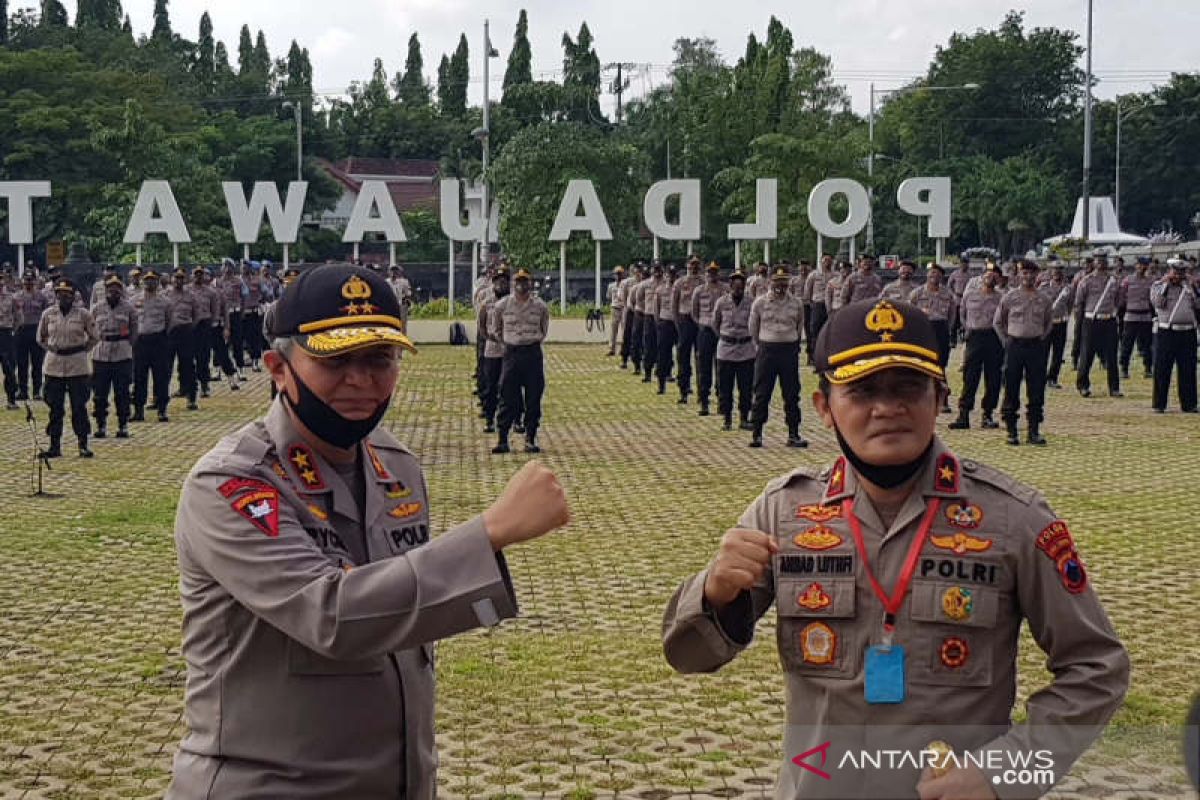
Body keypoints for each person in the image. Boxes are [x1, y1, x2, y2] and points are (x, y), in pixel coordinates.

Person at [662, 296, 1129, 800]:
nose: (887, 407)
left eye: (908, 387)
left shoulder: (1013, 517)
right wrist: (714, 593)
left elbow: (1097, 668)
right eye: (862, 391)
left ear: (940, 396)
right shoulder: (783, 512)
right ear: (823, 408)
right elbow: (687, 657)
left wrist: (1005, 775)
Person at [166, 263, 570, 799]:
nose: (360, 381)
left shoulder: (395, 465)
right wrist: (489, 533)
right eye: (335, 361)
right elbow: (331, 616)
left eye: (379, 360)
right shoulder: (234, 482)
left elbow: (404, 618)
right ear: (277, 368)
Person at [37, 279, 99, 458]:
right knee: (55, 408)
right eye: (60, 294)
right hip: (54, 365)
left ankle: (83, 444)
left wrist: (80, 350)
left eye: (67, 294)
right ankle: (54, 445)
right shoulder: (48, 314)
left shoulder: (84, 315)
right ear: (55, 295)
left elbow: (94, 337)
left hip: (77, 366)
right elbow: (40, 338)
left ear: (73, 296)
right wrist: (52, 349)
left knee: (79, 406)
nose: (63, 297)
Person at [995, 260, 1054, 446]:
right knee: (1011, 387)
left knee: (1036, 388)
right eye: (1025, 273)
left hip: (1035, 347)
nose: (1028, 277)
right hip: (1014, 346)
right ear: (1019, 275)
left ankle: (1034, 430)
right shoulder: (1009, 297)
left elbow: (1048, 323)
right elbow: (998, 322)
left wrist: (1039, 337)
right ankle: (1011, 430)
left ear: (1037, 276)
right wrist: (1007, 341)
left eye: (1032, 273)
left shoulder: (1044, 299)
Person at [491, 268, 550, 454]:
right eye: (518, 281)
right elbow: (496, 330)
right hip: (512, 353)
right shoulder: (502, 306)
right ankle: (502, 438)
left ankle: (530, 438)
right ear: (513, 284)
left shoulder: (540, 306)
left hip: (532, 353)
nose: (521, 285)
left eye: (525, 281)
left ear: (530, 284)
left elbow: (544, 329)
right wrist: (508, 344)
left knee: (533, 397)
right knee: (507, 396)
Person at [748, 267, 806, 448]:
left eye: (784, 282)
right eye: (777, 282)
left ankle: (793, 433)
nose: (780, 286)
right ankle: (757, 433)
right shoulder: (759, 303)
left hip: (788, 350)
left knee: (791, 394)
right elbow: (753, 328)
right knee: (762, 393)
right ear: (770, 283)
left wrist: (793, 342)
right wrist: (762, 345)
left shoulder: (796, 303)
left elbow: (799, 325)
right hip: (767, 350)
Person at [949, 264, 1004, 431]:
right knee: (970, 377)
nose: (990, 279)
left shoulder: (1002, 298)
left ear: (998, 280)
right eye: (988, 275)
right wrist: (968, 329)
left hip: (994, 338)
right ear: (982, 278)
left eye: (994, 276)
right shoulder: (970, 295)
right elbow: (962, 314)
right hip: (974, 337)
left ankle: (987, 414)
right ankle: (963, 414)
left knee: (993, 378)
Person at [91, 276, 137, 440]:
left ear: (121, 290)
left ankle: (123, 424)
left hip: (122, 353)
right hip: (101, 353)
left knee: (122, 392)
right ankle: (100, 424)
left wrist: (127, 345)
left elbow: (134, 330)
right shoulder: (96, 308)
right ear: (105, 290)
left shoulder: (129, 308)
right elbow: (90, 330)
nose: (113, 291)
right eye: (110, 288)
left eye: (117, 288)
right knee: (100, 393)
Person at [1150, 258, 1198, 413]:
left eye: (1182, 272)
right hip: (1167, 331)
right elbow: (1157, 303)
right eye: (1175, 272)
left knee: (1188, 370)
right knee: (1162, 369)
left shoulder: (1190, 287)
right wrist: (1166, 285)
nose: (1178, 276)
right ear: (1169, 272)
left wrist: (1193, 288)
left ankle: (1189, 403)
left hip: (1187, 331)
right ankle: (1159, 404)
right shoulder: (1159, 286)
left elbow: (1198, 305)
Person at [908, 263, 957, 413]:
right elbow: (910, 312)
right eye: (931, 273)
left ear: (941, 277)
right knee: (921, 365)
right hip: (923, 330)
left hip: (941, 330)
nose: (933, 276)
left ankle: (943, 401)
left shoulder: (947, 294)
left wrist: (948, 331)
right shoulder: (917, 293)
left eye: (937, 274)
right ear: (927, 275)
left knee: (940, 366)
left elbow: (952, 315)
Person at [712, 270, 756, 432]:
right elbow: (715, 324)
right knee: (725, 387)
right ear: (730, 286)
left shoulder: (751, 303)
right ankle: (727, 418)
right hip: (726, 349)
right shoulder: (721, 303)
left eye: (741, 285)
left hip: (746, 349)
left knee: (745, 387)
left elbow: (755, 325)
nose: (738, 288)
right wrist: (726, 337)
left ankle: (744, 418)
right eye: (735, 285)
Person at [1074, 254, 1121, 398]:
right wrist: (1079, 323)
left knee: (1112, 356)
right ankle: (1083, 386)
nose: (1101, 263)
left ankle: (1114, 388)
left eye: (1103, 260)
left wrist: (1114, 311)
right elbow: (1079, 303)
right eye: (1098, 260)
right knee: (1087, 354)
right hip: (1091, 320)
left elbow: (1119, 299)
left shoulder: (1114, 280)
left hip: (1109, 320)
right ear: (1094, 262)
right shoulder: (1086, 281)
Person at [132, 271, 174, 423]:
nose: (150, 283)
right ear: (143, 282)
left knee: (161, 377)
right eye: (147, 280)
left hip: (158, 340)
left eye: (153, 280)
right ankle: (138, 410)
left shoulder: (165, 301)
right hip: (141, 342)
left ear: (157, 282)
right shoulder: (134, 300)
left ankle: (162, 409)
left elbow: (169, 322)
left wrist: (162, 336)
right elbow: (132, 322)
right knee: (139, 377)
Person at [478, 267, 510, 433]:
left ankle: (514, 420)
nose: (501, 283)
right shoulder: (487, 302)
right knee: (491, 386)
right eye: (498, 280)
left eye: (504, 280)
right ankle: (490, 419)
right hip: (492, 349)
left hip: (510, 350)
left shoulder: (513, 302)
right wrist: (490, 338)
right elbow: (481, 326)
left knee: (510, 388)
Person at [691, 262, 726, 417]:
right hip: (705, 331)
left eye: (714, 272)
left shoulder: (725, 289)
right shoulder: (698, 291)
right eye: (709, 272)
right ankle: (704, 401)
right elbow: (694, 312)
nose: (712, 275)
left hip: (721, 332)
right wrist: (701, 324)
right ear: (705, 273)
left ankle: (722, 401)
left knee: (722, 367)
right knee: (704, 367)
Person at [166, 268, 200, 411]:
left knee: (188, 366)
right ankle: (160, 398)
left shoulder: (191, 296)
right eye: (176, 277)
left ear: (184, 279)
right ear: (171, 279)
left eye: (181, 277)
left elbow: (197, 315)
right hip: (169, 333)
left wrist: (190, 327)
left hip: (186, 331)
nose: (178, 280)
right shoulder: (165, 295)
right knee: (165, 367)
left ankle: (191, 397)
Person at [14, 271, 50, 401]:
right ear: (22, 281)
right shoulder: (16, 297)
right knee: (22, 363)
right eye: (26, 279)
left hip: (36, 330)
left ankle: (36, 391)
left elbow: (46, 316)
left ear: (35, 281)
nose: (28, 282)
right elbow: (13, 315)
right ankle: (22, 391)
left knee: (37, 362)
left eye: (30, 280)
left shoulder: (42, 297)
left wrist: (45, 333)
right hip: (21, 331)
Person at [672, 257, 704, 404]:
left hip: (701, 323)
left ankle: (702, 392)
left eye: (697, 265)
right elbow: (674, 306)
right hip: (685, 321)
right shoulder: (679, 283)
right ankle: (683, 390)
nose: (694, 267)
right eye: (692, 264)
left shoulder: (704, 283)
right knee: (683, 357)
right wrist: (678, 325)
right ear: (687, 265)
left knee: (701, 358)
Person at [1118, 256, 1155, 380]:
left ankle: (1148, 369)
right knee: (1127, 345)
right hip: (1130, 317)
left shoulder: (1151, 281)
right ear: (1136, 266)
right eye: (1139, 265)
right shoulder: (1127, 280)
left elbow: (1153, 299)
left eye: (1144, 265)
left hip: (1146, 316)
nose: (1141, 267)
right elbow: (1121, 299)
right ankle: (1124, 368)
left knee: (1147, 345)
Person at [1041, 260, 1072, 389]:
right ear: (1050, 271)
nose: (1057, 272)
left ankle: (1053, 378)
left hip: (1061, 323)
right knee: (1043, 352)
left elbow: (1070, 304)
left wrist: (1065, 315)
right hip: (1047, 324)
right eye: (1054, 269)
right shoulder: (1043, 287)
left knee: (1058, 353)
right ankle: (1041, 377)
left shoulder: (1068, 288)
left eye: (1059, 269)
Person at [803, 254, 833, 364]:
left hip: (830, 306)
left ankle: (827, 355)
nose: (827, 262)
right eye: (825, 260)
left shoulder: (835, 275)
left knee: (828, 331)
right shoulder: (814, 275)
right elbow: (808, 290)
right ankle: (813, 356)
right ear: (820, 262)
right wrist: (810, 303)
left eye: (829, 260)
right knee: (814, 331)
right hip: (817, 304)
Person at [653, 265, 678, 394]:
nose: (671, 277)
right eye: (669, 274)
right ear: (666, 275)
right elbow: (656, 308)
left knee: (682, 354)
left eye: (673, 274)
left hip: (678, 323)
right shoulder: (660, 290)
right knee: (663, 354)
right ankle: (661, 384)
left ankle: (683, 383)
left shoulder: (680, 288)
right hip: (665, 322)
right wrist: (658, 322)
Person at [0, 271, 19, 409]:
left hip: (6, 334)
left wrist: (13, 330)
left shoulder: (11, 298)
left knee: (10, 369)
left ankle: (11, 399)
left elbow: (19, 316)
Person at [617, 263, 640, 369]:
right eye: (636, 270)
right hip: (630, 311)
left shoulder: (645, 282)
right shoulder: (627, 283)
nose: (638, 273)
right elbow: (623, 297)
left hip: (641, 312)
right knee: (627, 335)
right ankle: (624, 358)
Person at [606, 265, 626, 356]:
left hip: (623, 308)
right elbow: (609, 297)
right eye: (616, 274)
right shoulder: (611, 286)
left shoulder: (625, 284)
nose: (618, 276)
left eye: (619, 274)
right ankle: (612, 348)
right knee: (613, 329)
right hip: (614, 308)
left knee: (624, 329)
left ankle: (624, 348)